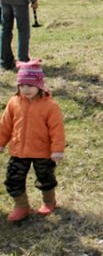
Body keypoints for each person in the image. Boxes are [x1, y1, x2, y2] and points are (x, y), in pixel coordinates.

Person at [0, 60, 65, 221]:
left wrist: (57, 149)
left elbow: (57, 130)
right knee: (13, 179)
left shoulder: (50, 106)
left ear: (39, 85)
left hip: (42, 152)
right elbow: (5, 125)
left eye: (30, 85)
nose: (26, 89)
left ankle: (49, 202)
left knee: (46, 178)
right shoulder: (14, 102)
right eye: (22, 86)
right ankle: (22, 206)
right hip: (18, 151)